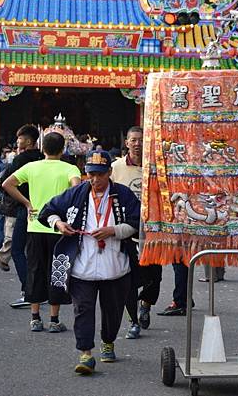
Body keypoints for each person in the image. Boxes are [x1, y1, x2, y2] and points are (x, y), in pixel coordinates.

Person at [37, 150, 140, 375]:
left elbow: (138, 221)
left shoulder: (123, 194)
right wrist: (59, 224)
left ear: (109, 173)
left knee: (113, 311)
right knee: (82, 309)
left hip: (115, 266)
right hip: (81, 266)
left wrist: (114, 230)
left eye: (100, 175)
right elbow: (48, 211)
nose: (95, 179)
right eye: (91, 174)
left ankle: (108, 341)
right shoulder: (75, 193)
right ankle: (85, 353)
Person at [2, 132, 81, 332]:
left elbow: (7, 184)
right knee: (57, 271)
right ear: (63, 150)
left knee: (35, 270)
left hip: (35, 225)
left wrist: (28, 203)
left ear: (42, 148)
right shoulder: (70, 168)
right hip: (59, 228)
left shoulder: (31, 167)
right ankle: (54, 320)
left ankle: (35, 318)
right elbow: (77, 188)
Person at [111, 126, 162, 339]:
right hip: (126, 229)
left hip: (152, 229)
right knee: (129, 277)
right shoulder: (115, 167)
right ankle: (133, 321)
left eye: (141, 140)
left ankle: (146, 304)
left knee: (154, 276)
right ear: (127, 142)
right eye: (133, 140)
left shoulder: (156, 166)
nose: (137, 144)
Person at [1, 124, 44, 308]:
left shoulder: (21, 160)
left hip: (25, 209)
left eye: (20, 139)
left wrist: (24, 202)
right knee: (36, 253)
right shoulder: (43, 158)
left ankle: (29, 291)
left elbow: (5, 183)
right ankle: (40, 291)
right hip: (45, 210)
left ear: (28, 141)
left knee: (18, 249)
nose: (17, 142)